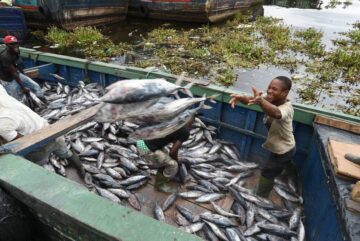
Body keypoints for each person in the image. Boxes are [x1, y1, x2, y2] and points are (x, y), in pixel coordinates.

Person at [229, 76, 296, 198]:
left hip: (284, 149)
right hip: (281, 146)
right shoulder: (269, 98)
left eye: (274, 89)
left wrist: (261, 101)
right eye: (269, 87)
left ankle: (261, 195)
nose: (270, 91)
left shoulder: (287, 108)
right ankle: (290, 172)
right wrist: (242, 98)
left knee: (267, 172)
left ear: (285, 93)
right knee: (284, 164)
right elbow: (253, 100)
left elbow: (276, 113)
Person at [0, 84, 85, 178]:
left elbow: (22, 144)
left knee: (39, 166)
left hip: (37, 145)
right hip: (50, 130)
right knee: (66, 153)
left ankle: (53, 182)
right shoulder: (2, 95)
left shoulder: (2, 123)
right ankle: (80, 170)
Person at [136, 116, 195, 193]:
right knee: (172, 165)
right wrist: (177, 161)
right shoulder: (185, 131)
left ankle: (161, 171)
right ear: (191, 123)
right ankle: (159, 185)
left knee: (166, 156)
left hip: (139, 138)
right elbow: (173, 152)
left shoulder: (173, 118)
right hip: (144, 147)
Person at [0, 35, 45, 102]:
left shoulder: (16, 50)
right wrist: (23, 88)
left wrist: (23, 74)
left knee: (36, 86)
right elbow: (14, 73)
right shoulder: (5, 56)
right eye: (11, 44)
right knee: (16, 99)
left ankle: (42, 101)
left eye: (16, 43)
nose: (15, 45)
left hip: (17, 74)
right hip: (7, 80)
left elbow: (18, 64)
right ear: (6, 45)